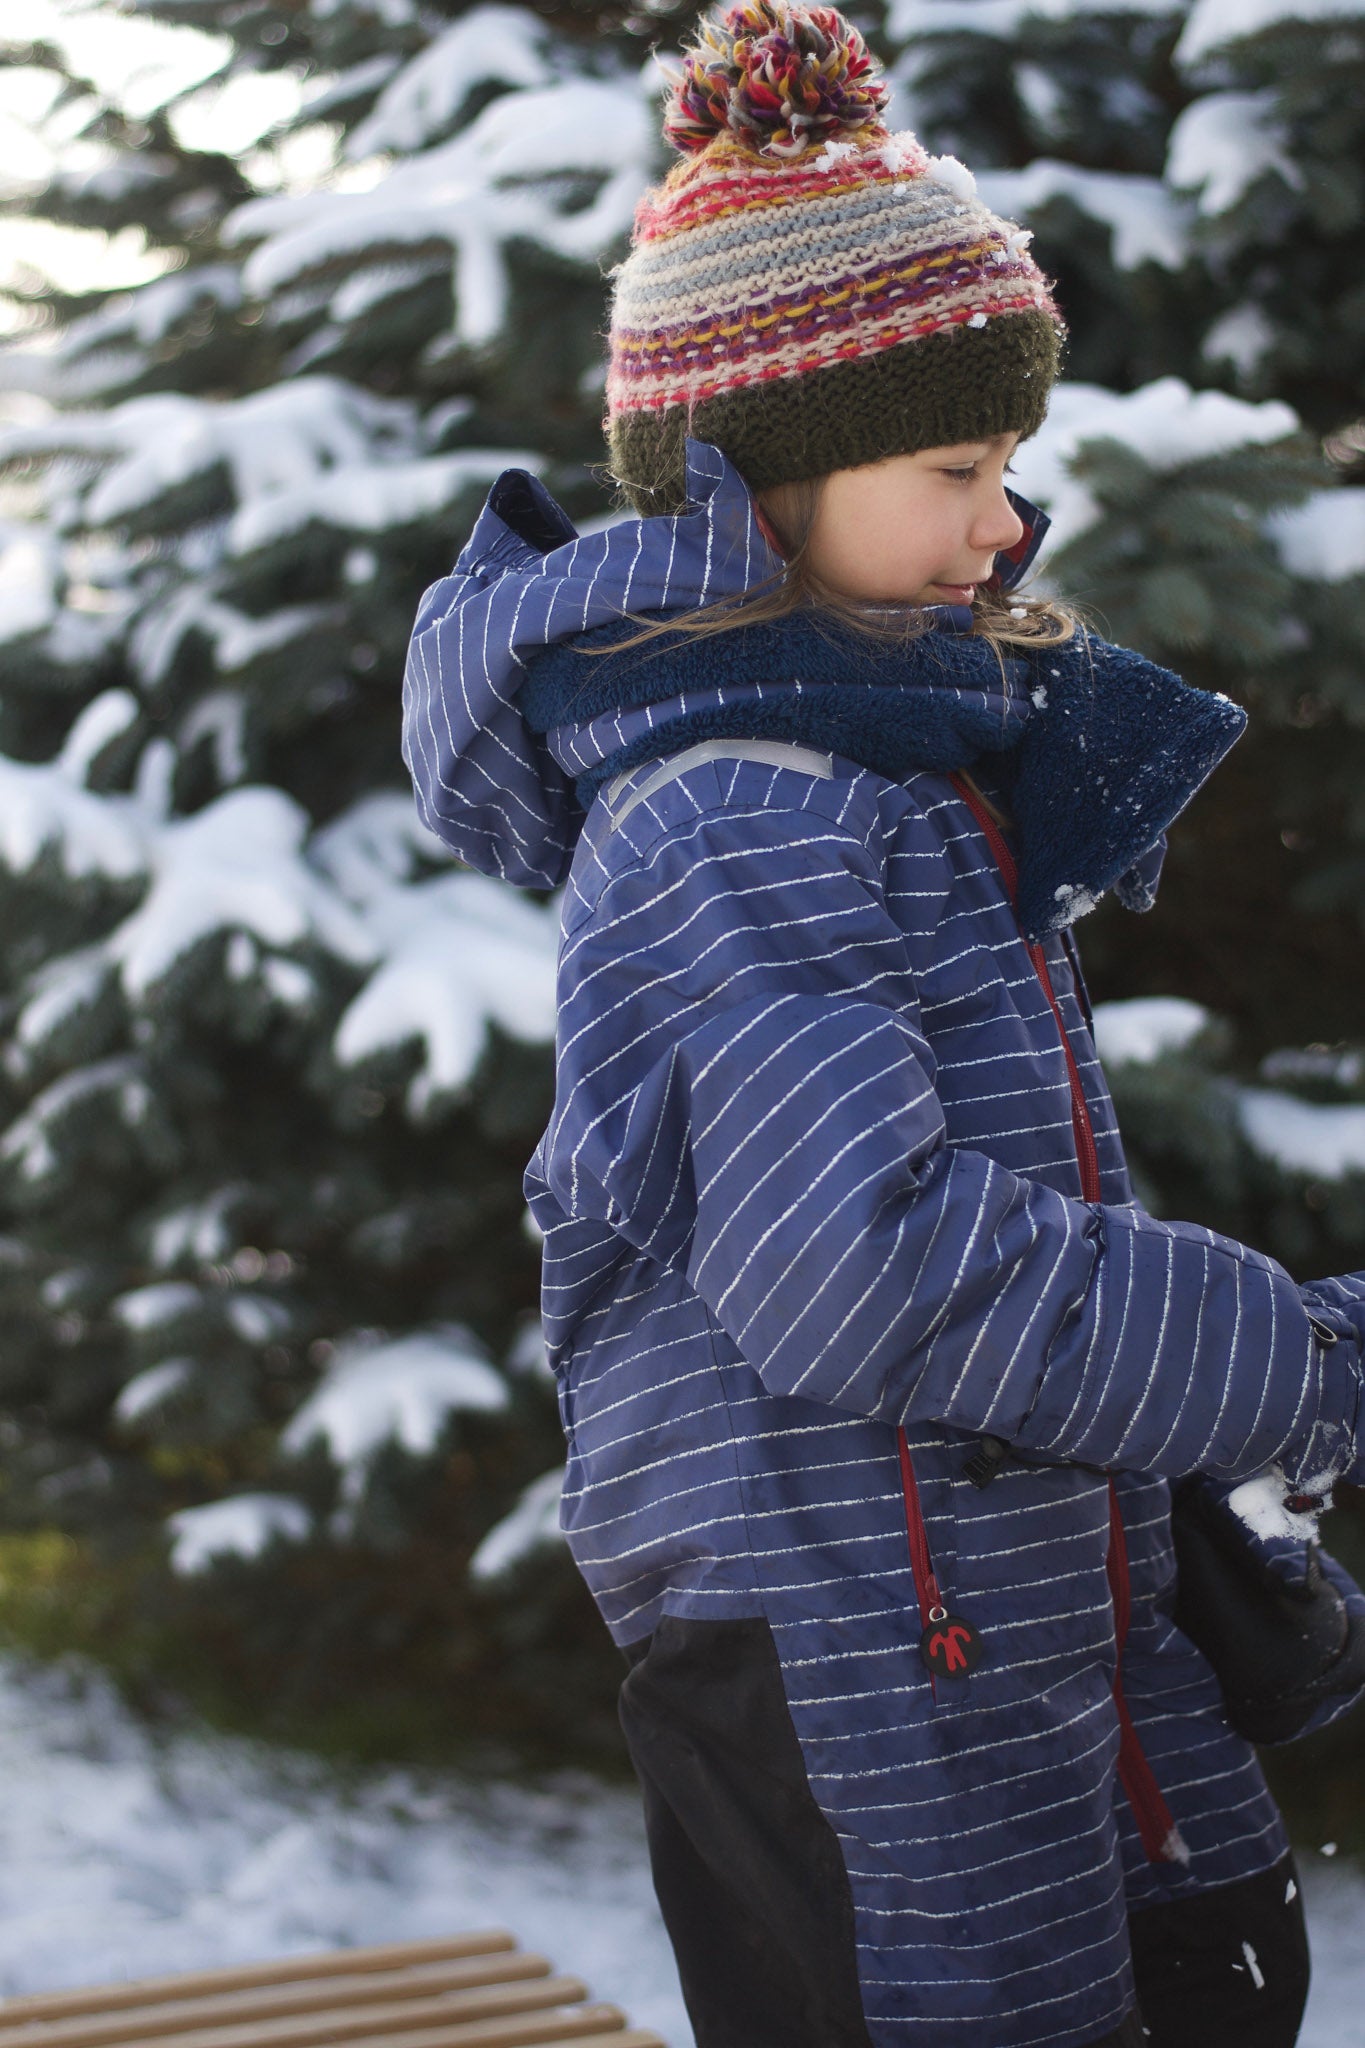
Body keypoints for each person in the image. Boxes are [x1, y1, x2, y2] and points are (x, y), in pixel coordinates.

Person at [400, 5, 1365, 2043]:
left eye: (1004, 466)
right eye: (952, 467)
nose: (1002, 525)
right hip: (863, 1685)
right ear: (757, 486)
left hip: (1002, 1638)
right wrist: (1289, 1362)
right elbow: (871, 1264)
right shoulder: (728, 817)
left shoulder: (877, 770)